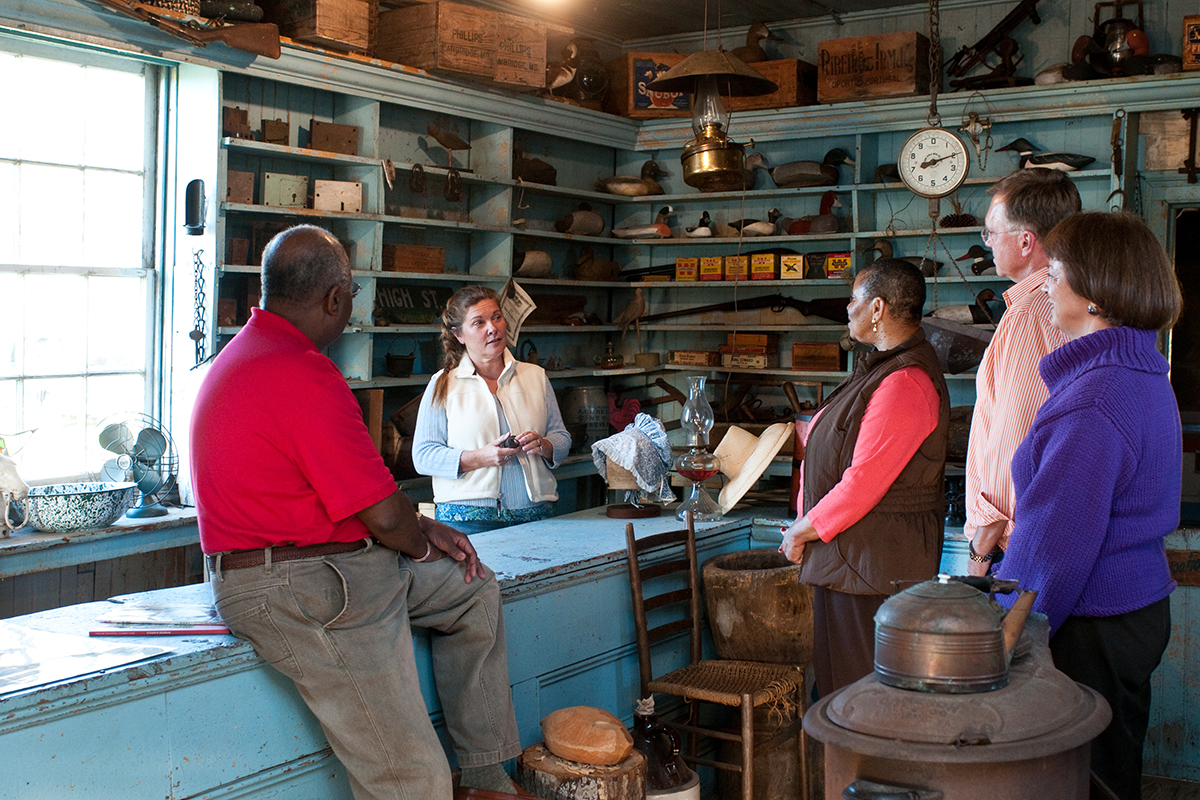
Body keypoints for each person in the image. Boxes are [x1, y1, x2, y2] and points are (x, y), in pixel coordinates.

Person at [190, 225, 522, 800]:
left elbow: (367, 507)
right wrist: (414, 537)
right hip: (308, 585)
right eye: (351, 300)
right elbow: (385, 519)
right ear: (335, 299)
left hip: (316, 566)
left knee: (472, 588)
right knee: (413, 779)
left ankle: (488, 778)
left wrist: (418, 528)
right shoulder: (302, 373)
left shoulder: (244, 354)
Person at [994, 211, 1182, 800]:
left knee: (1079, 782)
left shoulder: (1094, 398)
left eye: (1054, 274)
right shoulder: (1141, 369)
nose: (1045, 287)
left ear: (1096, 291)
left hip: (1091, 621)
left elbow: (1052, 548)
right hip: (1134, 609)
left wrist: (1001, 637)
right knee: (1111, 769)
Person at [781, 259, 949, 696]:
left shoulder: (905, 380)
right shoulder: (881, 368)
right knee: (843, 692)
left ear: (877, 308)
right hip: (854, 561)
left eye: (854, 300)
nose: (847, 308)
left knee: (860, 699)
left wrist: (802, 530)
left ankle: (861, 769)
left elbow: (863, 483)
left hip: (873, 566)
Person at [964, 169, 1081, 576]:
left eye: (991, 233)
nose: (988, 243)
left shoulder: (1030, 315)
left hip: (1011, 543)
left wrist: (980, 552)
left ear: (1026, 240)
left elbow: (1014, 440)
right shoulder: (1068, 305)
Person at [413, 285, 570, 533]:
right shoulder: (443, 383)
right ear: (459, 335)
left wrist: (545, 445)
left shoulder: (535, 376)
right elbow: (424, 456)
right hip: (466, 520)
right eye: (479, 322)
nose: (492, 328)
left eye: (496, 317)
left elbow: (561, 437)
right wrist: (481, 458)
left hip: (535, 514)